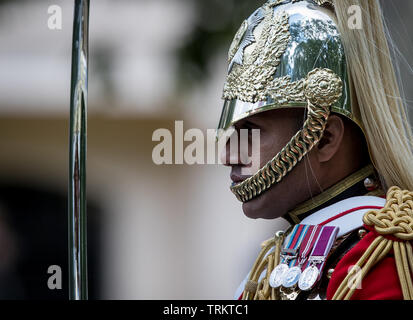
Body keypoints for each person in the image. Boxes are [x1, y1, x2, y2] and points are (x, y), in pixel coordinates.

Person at [218, 0, 413, 300]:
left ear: (324, 139)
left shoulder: (379, 263)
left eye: (252, 132)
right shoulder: (270, 267)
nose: (229, 156)